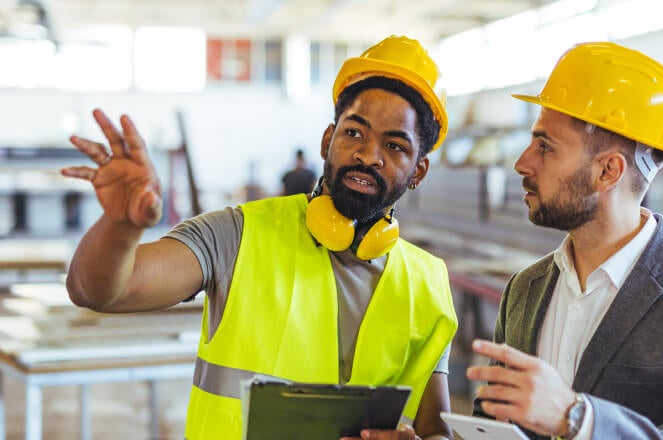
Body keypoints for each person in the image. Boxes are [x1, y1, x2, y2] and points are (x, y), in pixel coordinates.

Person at [61, 35, 458, 440]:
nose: (368, 155)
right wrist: (120, 226)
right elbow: (98, 291)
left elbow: (435, 430)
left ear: (418, 171)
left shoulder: (427, 285)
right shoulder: (237, 235)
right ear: (328, 140)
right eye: (355, 132)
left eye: (394, 145)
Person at [466, 42, 663, 439]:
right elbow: (491, 422)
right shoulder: (524, 290)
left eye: (545, 147)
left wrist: (578, 419)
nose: (523, 163)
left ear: (608, 171)